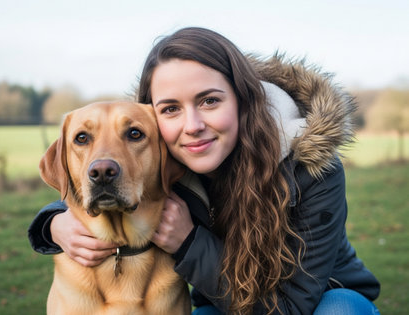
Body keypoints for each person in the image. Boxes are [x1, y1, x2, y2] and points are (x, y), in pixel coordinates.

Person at [28, 27, 380, 314]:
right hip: (225, 303)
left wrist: (187, 242)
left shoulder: (311, 169)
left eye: (209, 100)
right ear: (156, 120)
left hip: (317, 301)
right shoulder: (165, 159)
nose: (193, 125)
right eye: (170, 108)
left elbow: (292, 306)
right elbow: (108, 174)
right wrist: (53, 223)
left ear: (243, 99)